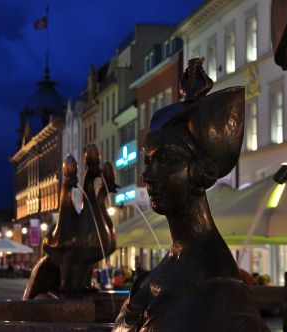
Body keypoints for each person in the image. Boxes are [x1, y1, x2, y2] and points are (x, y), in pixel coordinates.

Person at [113, 58, 268, 331]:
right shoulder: (172, 264)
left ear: (204, 173)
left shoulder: (219, 287)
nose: (148, 175)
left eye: (168, 160)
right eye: (149, 162)